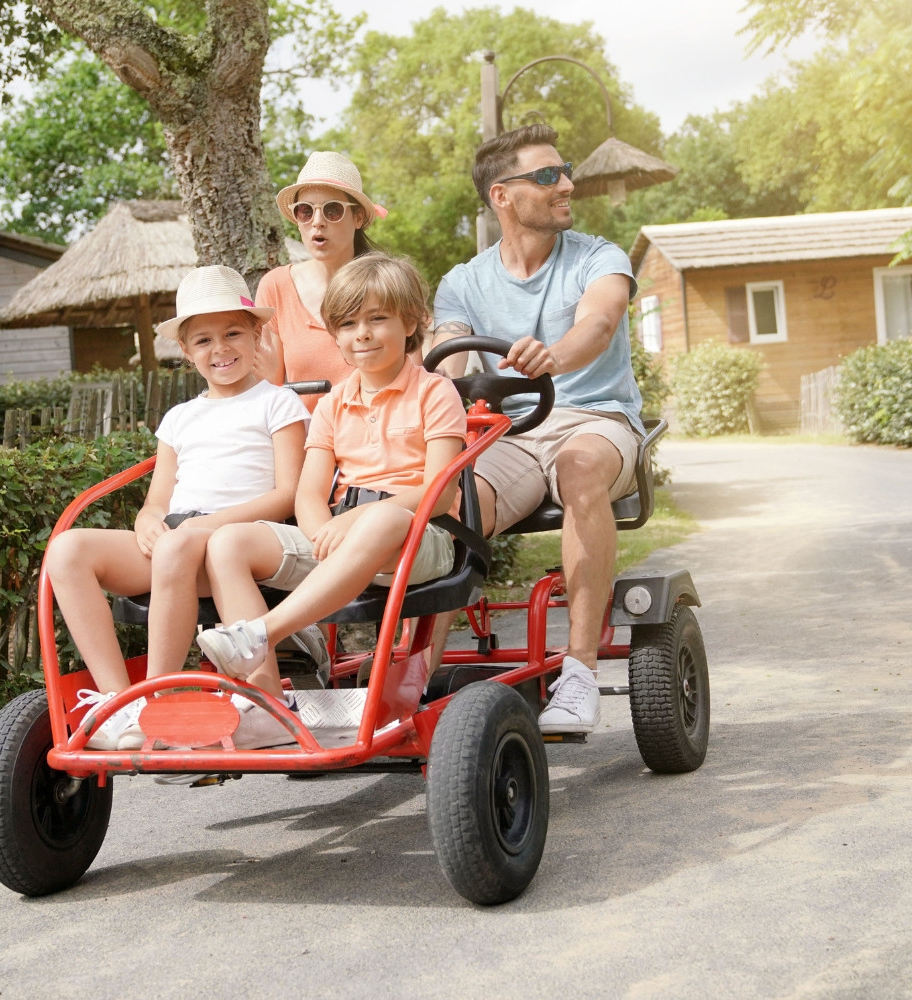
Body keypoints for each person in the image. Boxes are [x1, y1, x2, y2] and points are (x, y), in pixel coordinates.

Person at [429, 124, 646, 735]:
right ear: (503, 195)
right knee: (454, 500)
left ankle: (577, 673)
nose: (567, 184)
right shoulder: (462, 282)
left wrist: (554, 356)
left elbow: (599, 324)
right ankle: (414, 675)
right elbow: (446, 350)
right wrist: (442, 360)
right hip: (515, 432)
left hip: (596, 420)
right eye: (548, 176)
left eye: (565, 170)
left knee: (578, 470)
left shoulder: (599, 256)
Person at [196, 253, 466, 732]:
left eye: (377, 319)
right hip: (341, 538)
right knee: (228, 541)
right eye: (347, 323)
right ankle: (268, 705)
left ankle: (259, 634)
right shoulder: (333, 403)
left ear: (410, 323)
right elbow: (308, 493)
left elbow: (439, 495)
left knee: (382, 519)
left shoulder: (435, 393)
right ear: (335, 334)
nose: (361, 333)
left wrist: (353, 523)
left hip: (419, 537)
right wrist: (323, 530)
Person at [44, 265, 309, 750]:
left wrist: (203, 527)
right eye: (203, 340)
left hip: (243, 542)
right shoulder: (180, 418)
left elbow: (288, 493)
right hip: (177, 543)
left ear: (257, 336)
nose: (221, 349)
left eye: (233, 333)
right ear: (186, 352)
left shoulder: (278, 404)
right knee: (67, 550)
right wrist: (148, 523)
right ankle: (118, 702)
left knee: (180, 544)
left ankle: (159, 703)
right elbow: (157, 501)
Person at [254, 151, 385, 409]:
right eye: (305, 211)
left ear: (358, 217)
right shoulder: (275, 287)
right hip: (304, 442)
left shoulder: (385, 283)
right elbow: (268, 389)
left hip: (378, 439)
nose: (317, 222)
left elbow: (411, 374)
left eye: (332, 210)